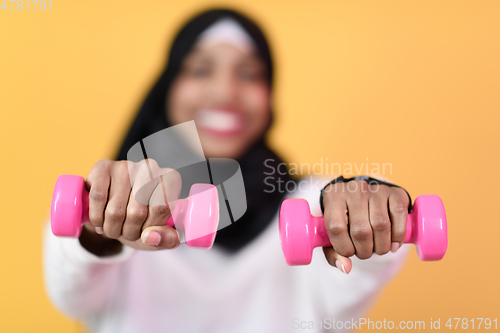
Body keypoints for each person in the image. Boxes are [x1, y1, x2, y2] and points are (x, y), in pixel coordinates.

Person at [43, 8, 411, 333]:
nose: (225, 92)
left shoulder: (315, 206)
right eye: (201, 70)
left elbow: (362, 266)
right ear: (167, 87)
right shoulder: (98, 203)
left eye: (250, 74)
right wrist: (101, 232)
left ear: (270, 97)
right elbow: (73, 293)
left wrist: (371, 203)